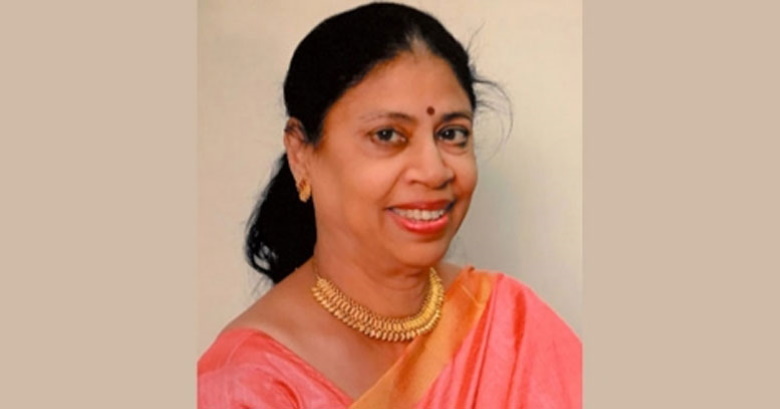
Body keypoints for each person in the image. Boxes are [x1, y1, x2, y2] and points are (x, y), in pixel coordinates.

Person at [198, 2, 581, 408]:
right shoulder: (245, 382)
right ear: (300, 153)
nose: (434, 171)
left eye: (451, 134)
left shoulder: (511, 327)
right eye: (387, 135)